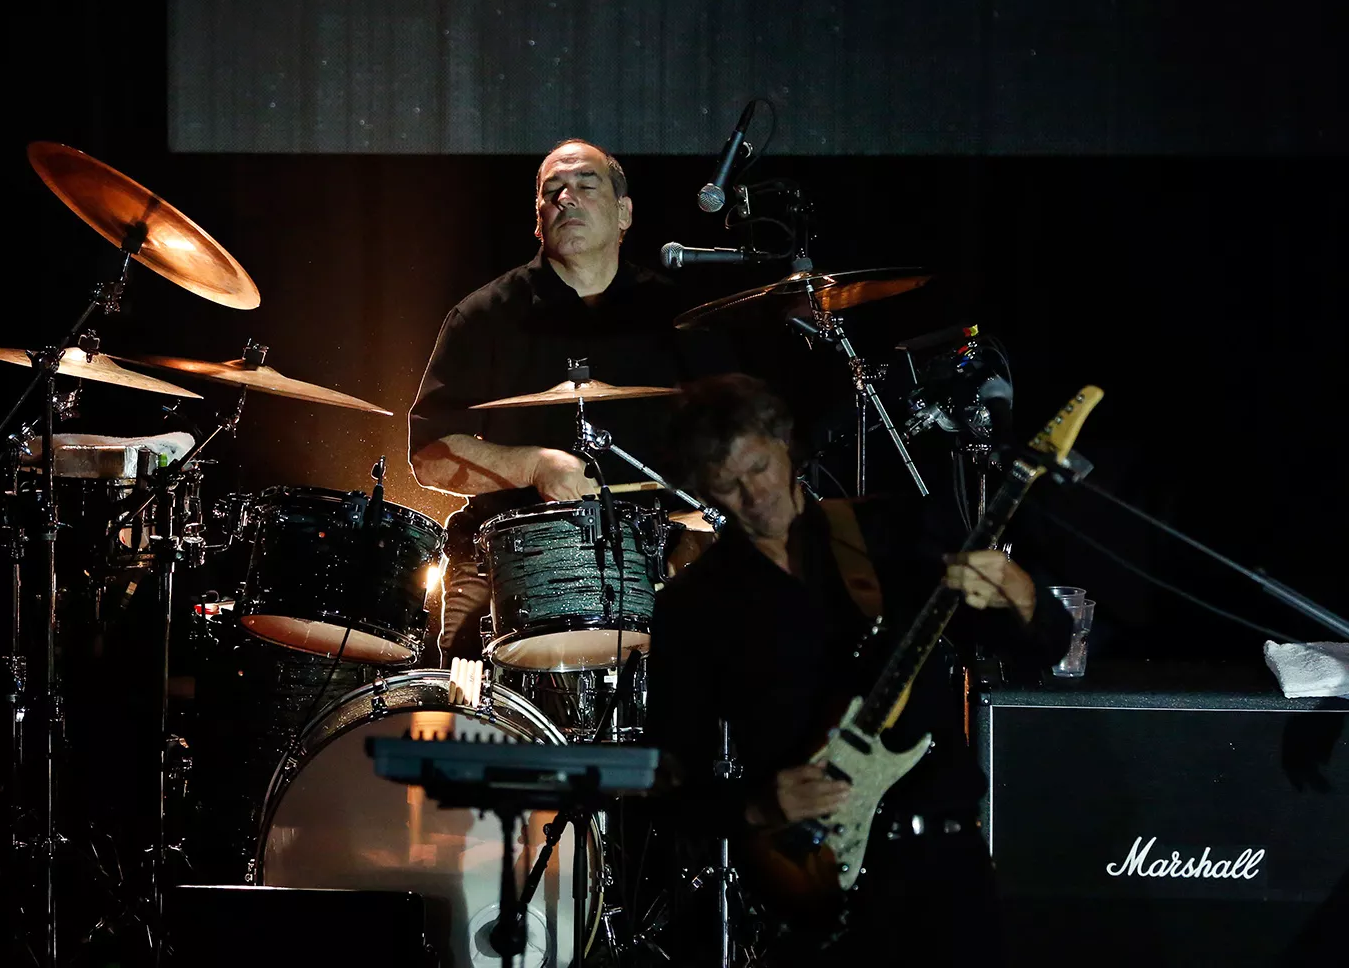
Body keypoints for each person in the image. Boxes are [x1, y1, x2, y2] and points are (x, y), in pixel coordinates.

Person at [645, 373, 1072, 966]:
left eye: (759, 467)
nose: (754, 495)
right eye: (728, 485)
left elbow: (1045, 647)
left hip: (943, 869)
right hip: (819, 883)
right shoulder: (693, 606)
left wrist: (1021, 594)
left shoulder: (891, 533)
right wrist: (755, 807)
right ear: (703, 491)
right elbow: (666, 779)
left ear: (784, 442)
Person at [408, 138, 731, 664]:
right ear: (538, 220)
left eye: (586, 183)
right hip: (506, 563)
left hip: (658, 554)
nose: (566, 197)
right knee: (464, 677)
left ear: (624, 213)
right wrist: (533, 465)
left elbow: (731, 446)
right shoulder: (484, 316)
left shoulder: (681, 319)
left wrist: (696, 534)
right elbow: (428, 457)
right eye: (552, 190)